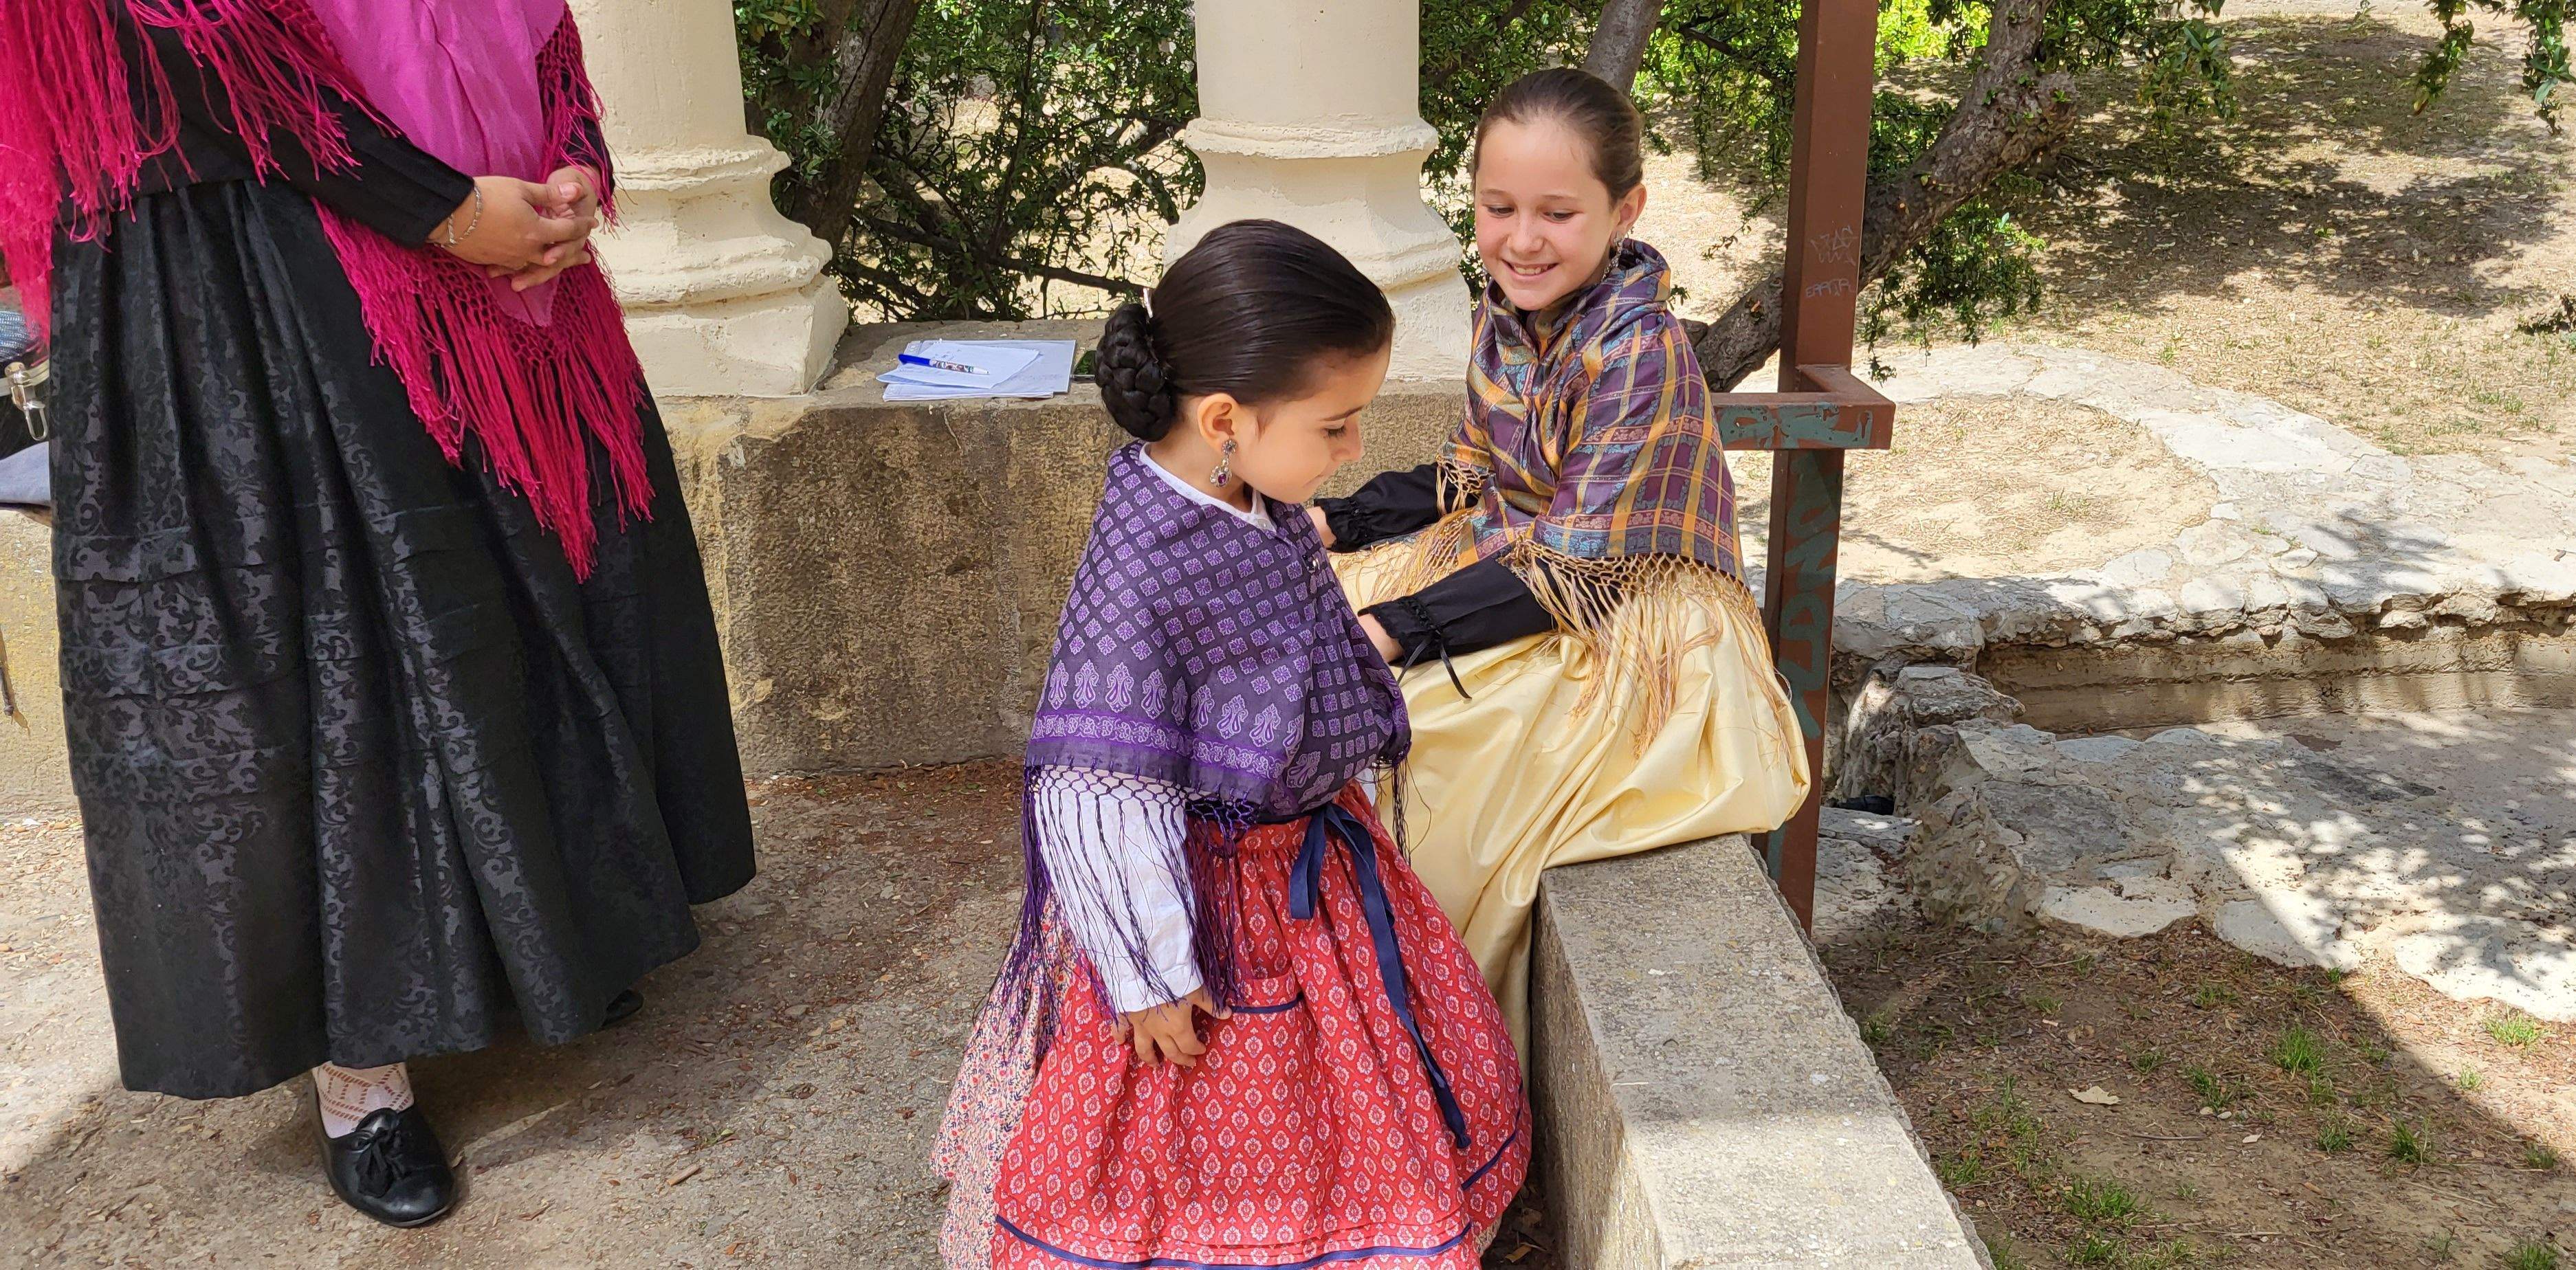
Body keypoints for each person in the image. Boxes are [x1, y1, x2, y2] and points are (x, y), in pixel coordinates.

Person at [0, 1, 753, 1227]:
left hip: (475, 234)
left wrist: (569, 167)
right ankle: (364, 1076)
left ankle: (548, 938)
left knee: (499, 599)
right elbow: (191, 50)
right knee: (332, 649)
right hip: (244, 255)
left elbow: (534, 26)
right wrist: (444, 210)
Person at [932, 219, 1528, 1269]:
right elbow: (1101, 788)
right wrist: (1151, 973)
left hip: (1305, 870)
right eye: (1337, 426)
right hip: (1211, 915)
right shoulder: (1146, 571)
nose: (1352, 451)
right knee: (1200, 1131)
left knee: (1352, 1094)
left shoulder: (1254, 497)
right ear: (1223, 418)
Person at [1312, 67, 1812, 1046]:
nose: (1521, 239)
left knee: (1429, 741)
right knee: (1293, 609)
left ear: (1623, 208)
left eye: (1556, 212)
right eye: (1497, 208)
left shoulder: (1640, 350)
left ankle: (1421, 1041)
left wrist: (1394, 630)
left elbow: (1572, 567)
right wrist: (1341, 519)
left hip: (1627, 616)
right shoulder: (1506, 319)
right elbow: (1476, 478)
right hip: (1517, 564)